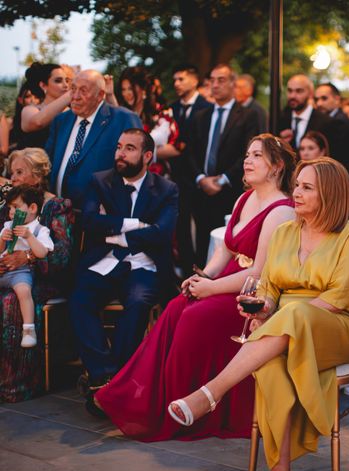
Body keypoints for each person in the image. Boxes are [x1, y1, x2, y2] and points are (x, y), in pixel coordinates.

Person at [166, 158, 349, 471]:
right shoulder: (284, 232)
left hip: (339, 328)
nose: (297, 192)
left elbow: (339, 299)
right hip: (286, 325)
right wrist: (264, 306)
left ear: (331, 195)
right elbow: (269, 285)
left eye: (307, 188)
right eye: (297, 185)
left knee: (292, 314)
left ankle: (211, 392)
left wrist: (277, 319)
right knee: (271, 367)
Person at [94, 134, 296, 440]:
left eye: (257, 155)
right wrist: (203, 276)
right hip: (226, 280)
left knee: (193, 317)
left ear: (277, 166)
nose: (247, 160)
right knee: (176, 307)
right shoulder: (244, 198)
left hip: (251, 295)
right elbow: (225, 251)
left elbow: (259, 271)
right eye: (247, 154)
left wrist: (212, 289)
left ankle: (189, 411)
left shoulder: (281, 210)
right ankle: (150, 401)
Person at [69, 129, 178, 414]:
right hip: (107, 259)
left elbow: (162, 234)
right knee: (80, 300)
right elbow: (90, 222)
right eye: (119, 147)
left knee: (138, 303)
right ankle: (104, 376)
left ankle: (115, 379)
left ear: (147, 156)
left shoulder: (167, 189)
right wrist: (137, 226)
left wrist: (115, 229)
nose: (120, 153)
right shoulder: (100, 181)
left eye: (129, 148)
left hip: (144, 263)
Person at [0, 148, 74, 402]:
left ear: (38, 175)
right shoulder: (9, 206)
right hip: (9, 274)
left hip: (45, 278)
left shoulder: (55, 206)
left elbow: (61, 257)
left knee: (12, 300)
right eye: (12, 173)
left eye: (20, 172)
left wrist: (27, 258)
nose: (14, 178)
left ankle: (16, 383)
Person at [186, 64, 259, 266]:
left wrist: (222, 179)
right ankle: (198, 285)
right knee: (201, 244)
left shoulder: (247, 115)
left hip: (230, 190)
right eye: (212, 80)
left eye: (221, 80)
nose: (215, 85)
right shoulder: (201, 115)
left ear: (233, 84)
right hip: (202, 191)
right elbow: (190, 151)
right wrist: (201, 178)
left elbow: (248, 152)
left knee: (229, 247)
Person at [46, 70, 143, 208]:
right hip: (57, 214)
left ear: (100, 95)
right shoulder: (61, 120)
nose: (75, 96)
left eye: (83, 91)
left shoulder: (123, 119)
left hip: (100, 217)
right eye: (73, 89)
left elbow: (137, 167)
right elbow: (47, 162)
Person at [168, 64, 212, 275]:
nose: (176, 83)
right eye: (175, 80)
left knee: (203, 224)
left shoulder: (207, 107)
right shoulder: (172, 108)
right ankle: (186, 271)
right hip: (176, 176)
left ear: (194, 81)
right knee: (181, 225)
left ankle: (204, 269)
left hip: (200, 174)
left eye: (181, 79)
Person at [0, 186, 55, 348]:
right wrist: (3, 239)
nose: (11, 212)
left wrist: (29, 237)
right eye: (10, 207)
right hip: (3, 268)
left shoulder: (39, 230)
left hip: (20, 272)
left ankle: (28, 330)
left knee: (24, 291)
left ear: (32, 208)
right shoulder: (7, 226)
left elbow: (42, 252)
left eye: (16, 207)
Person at [116, 66, 180, 173]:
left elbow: (176, 147)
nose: (127, 93)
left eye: (131, 88)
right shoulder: (121, 114)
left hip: (156, 175)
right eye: (124, 89)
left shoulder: (161, 113)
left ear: (143, 89)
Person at [314, 82, 349, 205]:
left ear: (337, 99)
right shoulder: (335, 119)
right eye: (316, 99)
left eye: (324, 98)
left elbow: (335, 159)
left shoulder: (338, 122)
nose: (319, 103)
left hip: (340, 192)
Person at [19, 63, 71, 149]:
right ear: (43, 85)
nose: (66, 85)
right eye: (58, 81)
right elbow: (37, 122)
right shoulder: (30, 110)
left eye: (67, 80)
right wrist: (70, 94)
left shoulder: (73, 111)